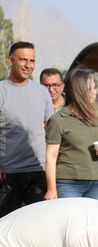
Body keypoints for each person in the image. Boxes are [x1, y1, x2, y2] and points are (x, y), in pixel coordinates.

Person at [0, 42, 53, 217]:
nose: (28, 65)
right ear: (10, 60)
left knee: (38, 227)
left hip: (39, 171)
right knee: (6, 228)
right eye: (23, 60)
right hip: (8, 173)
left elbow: (50, 130)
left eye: (32, 60)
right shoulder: (1, 90)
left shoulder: (42, 92)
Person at [44, 68, 98, 201]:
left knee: (93, 221)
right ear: (78, 91)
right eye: (89, 89)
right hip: (68, 183)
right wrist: (51, 189)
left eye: (94, 88)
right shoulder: (59, 119)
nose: (94, 93)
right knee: (71, 221)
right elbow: (50, 157)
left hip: (97, 183)